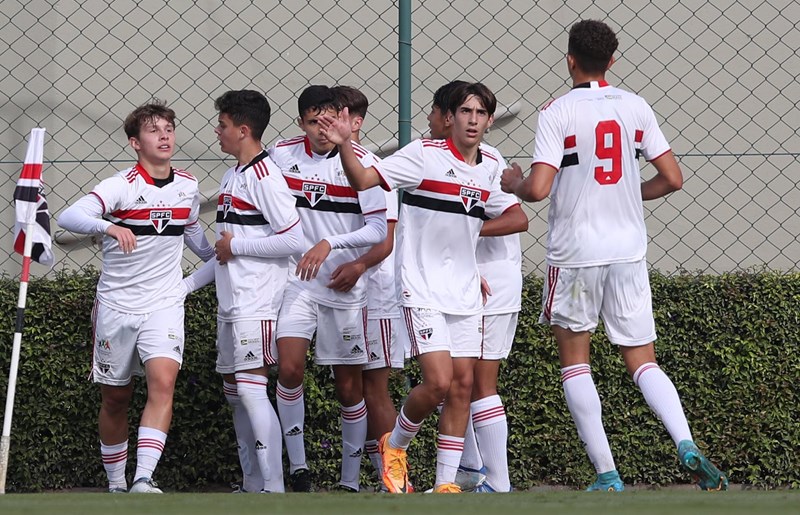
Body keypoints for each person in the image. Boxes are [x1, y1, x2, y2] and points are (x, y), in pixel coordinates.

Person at [500, 19, 728, 492]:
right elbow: (673, 178)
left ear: (569, 59)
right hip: (627, 251)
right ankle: (685, 443)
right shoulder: (635, 105)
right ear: (613, 60)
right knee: (644, 361)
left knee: (575, 363)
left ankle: (607, 474)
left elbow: (538, 190)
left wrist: (512, 183)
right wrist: (626, 193)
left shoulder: (557, 111)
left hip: (577, 252)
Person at [319, 82, 523, 493]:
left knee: (463, 386)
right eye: (465, 111)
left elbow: (516, 213)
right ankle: (395, 446)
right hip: (421, 288)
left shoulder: (488, 167)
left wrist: (515, 186)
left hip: (466, 291)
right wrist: (344, 145)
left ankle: (445, 483)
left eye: (481, 113)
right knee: (438, 383)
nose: (473, 120)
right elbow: (362, 180)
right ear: (449, 118)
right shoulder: (423, 155)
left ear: (488, 120)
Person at [57, 100, 214, 493]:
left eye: (168, 129)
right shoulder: (121, 185)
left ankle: (143, 478)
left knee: (163, 382)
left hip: (163, 306)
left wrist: (210, 265)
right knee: (116, 397)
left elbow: (197, 240)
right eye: (153, 130)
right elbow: (68, 217)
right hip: (115, 306)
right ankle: (116, 483)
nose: (164, 136)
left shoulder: (188, 186)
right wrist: (109, 228)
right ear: (135, 142)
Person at [184, 90, 304, 493]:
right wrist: (187, 235)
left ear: (243, 129)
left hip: (258, 302)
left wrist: (237, 246)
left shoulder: (266, 177)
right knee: (236, 395)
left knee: (253, 392)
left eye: (222, 125)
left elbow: (294, 240)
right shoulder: (231, 175)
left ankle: (274, 489)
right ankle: (252, 484)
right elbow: (218, 253)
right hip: (231, 304)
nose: (217, 131)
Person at [269, 85, 387, 492]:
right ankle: (299, 469)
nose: (324, 129)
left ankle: (349, 480)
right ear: (302, 122)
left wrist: (335, 248)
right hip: (297, 282)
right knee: (288, 368)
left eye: (331, 119)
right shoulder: (281, 156)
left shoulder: (365, 165)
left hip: (343, 288)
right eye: (315, 121)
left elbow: (377, 230)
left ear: (344, 118)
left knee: (349, 387)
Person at [428, 80, 526, 493]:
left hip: (493, 283)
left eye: (434, 112)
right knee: (454, 380)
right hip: (460, 285)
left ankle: (498, 484)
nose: (431, 121)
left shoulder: (486, 159)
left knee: (480, 383)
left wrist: (465, 232)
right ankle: (469, 469)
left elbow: (518, 218)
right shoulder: (432, 159)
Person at [330, 85, 404, 491]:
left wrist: (358, 266)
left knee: (374, 387)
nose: (329, 126)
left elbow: (385, 239)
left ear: (355, 123)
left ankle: (394, 479)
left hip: (376, 293)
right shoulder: (317, 164)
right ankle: (353, 480)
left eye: (337, 118)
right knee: (347, 387)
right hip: (337, 294)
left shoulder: (373, 167)